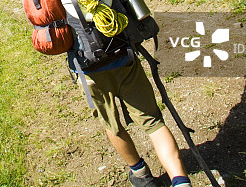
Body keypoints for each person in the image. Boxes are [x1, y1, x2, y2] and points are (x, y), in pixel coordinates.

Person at [76, 50, 192, 187]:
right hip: (124, 59)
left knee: (111, 124)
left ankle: (140, 174)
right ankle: (181, 183)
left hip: (87, 75)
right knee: (153, 122)